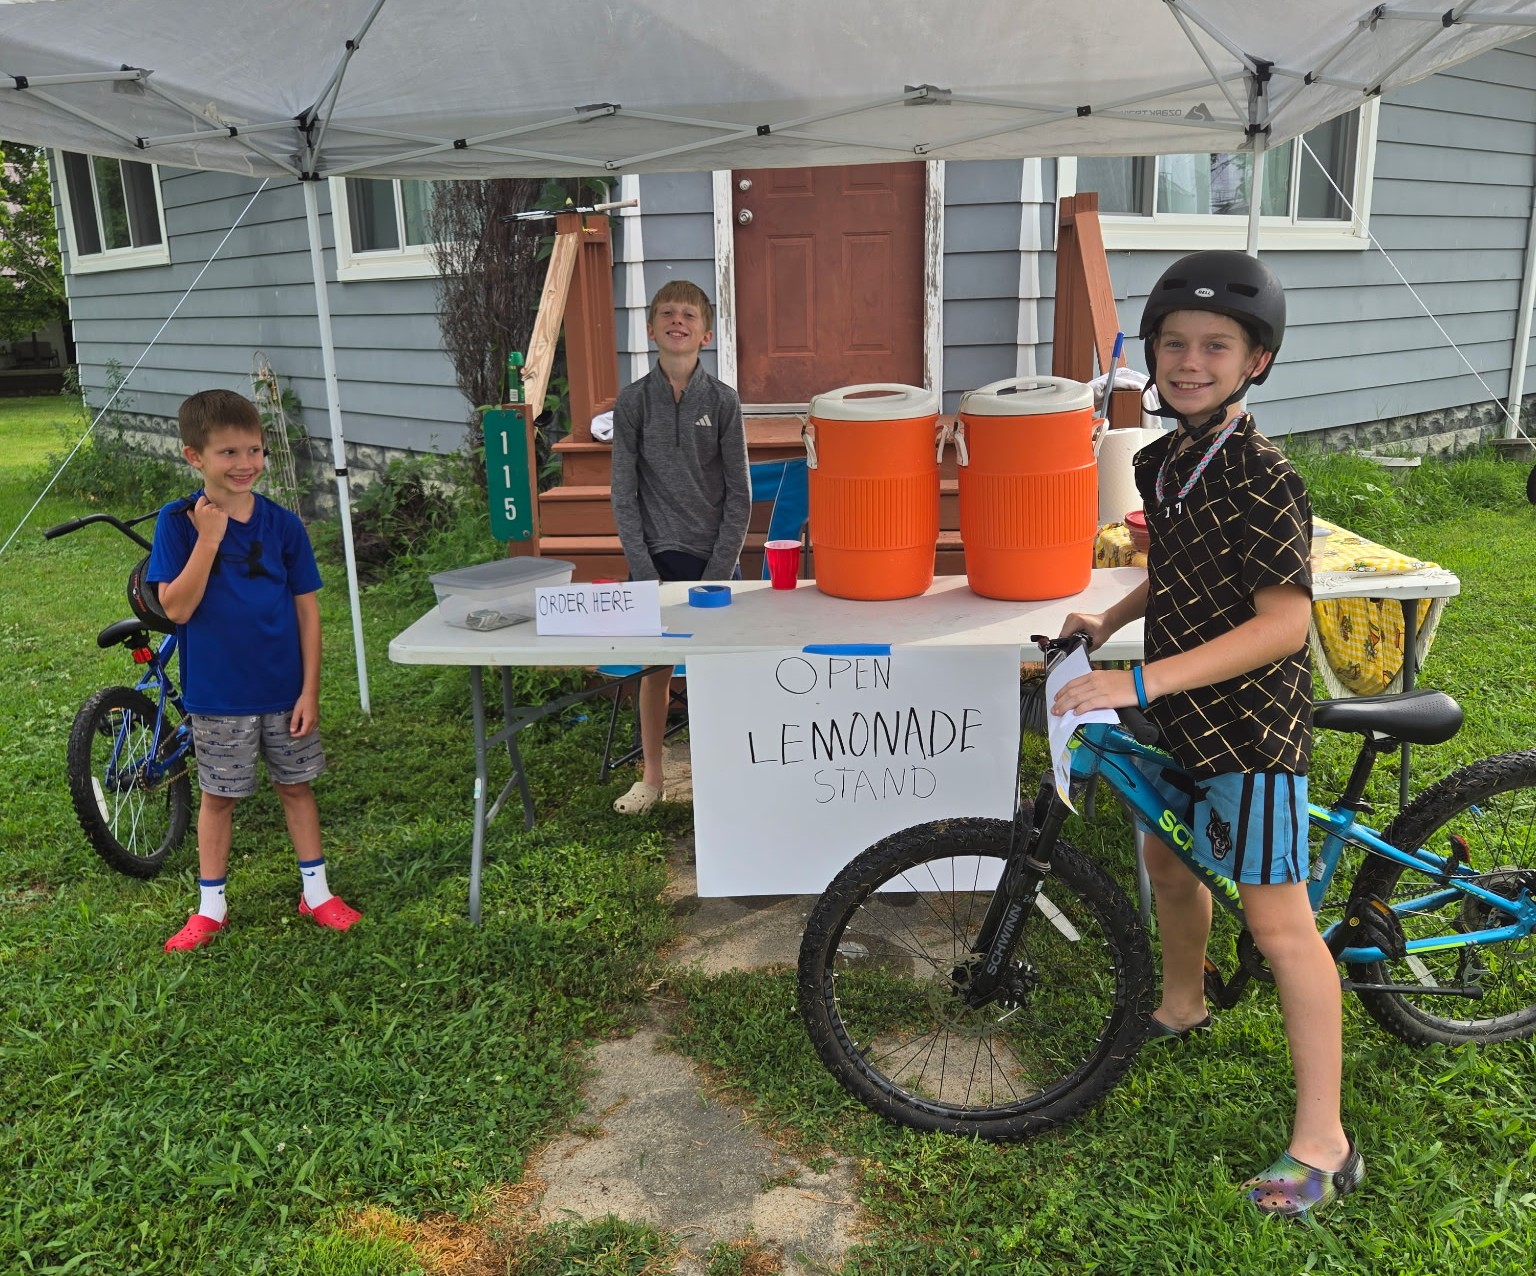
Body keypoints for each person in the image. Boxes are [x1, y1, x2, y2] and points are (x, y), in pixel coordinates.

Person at [1050, 250, 1361, 1217]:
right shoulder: (1172, 457)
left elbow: (1283, 624)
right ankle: (1182, 1001)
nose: (1190, 363)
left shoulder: (1264, 476)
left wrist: (1135, 674)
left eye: (1215, 347)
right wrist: (1108, 620)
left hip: (1252, 727)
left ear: (1255, 361)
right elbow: (1184, 569)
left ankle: (1325, 1142)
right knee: (1169, 862)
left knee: (1280, 925)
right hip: (1185, 708)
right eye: (1173, 345)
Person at [148, 388, 362, 950]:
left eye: (255, 450)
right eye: (228, 453)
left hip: (284, 691)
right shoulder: (177, 524)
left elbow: (307, 612)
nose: (245, 464)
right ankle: (210, 906)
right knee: (219, 797)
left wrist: (309, 690)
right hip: (218, 696)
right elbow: (177, 608)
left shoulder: (285, 526)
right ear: (194, 457)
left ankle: (317, 892)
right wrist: (210, 539)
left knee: (296, 788)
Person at [608, 280, 750, 815]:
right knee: (654, 671)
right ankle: (651, 777)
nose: (677, 320)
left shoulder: (723, 402)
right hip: (653, 560)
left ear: (705, 333)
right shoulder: (632, 402)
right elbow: (623, 491)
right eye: (666, 313)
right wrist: (643, 569)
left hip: (714, 559)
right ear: (650, 329)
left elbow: (740, 493)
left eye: (689, 314)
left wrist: (717, 569)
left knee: (719, 672)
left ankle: (724, 774)